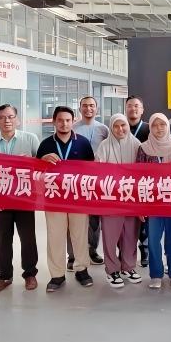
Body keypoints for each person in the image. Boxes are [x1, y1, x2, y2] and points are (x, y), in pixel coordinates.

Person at [0, 104, 41, 293]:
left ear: (17, 119)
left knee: (28, 237)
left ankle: (30, 274)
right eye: (2, 117)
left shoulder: (30, 139)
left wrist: (30, 162)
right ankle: (5, 276)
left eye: (11, 116)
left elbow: (41, 168)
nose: (7, 120)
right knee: (3, 238)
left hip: (24, 197)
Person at [38, 106, 96, 292]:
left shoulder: (83, 143)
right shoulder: (45, 144)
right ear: (54, 122)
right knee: (55, 237)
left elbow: (92, 172)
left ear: (73, 121)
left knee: (80, 236)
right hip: (54, 199)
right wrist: (41, 160)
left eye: (68, 120)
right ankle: (57, 275)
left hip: (78, 198)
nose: (64, 124)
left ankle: (82, 270)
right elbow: (36, 173)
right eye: (60, 120)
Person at [95, 114, 144, 288]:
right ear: (111, 128)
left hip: (131, 198)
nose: (120, 129)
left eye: (123, 125)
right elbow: (97, 171)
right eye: (116, 126)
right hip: (110, 199)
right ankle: (112, 270)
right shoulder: (104, 145)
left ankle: (128, 267)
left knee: (130, 235)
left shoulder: (137, 144)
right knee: (110, 236)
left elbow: (142, 172)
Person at [137, 113, 171, 289]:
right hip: (152, 202)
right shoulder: (144, 148)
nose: (159, 128)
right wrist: (140, 206)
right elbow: (138, 178)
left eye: (162, 124)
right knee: (153, 239)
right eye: (155, 125)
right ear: (150, 128)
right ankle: (156, 273)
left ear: (167, 126)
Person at [73, 96, 109, 267]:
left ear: (97, 109)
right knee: (75, 217)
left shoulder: (104, 129)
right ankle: (73, 255)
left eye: (92, 106)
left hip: (97, 180)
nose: (88, 108)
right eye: (85, 105)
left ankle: (92, 250)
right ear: (80, 108)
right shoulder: (72, 128)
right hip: (76, 178)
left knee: (95, 218)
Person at [125, 95, 150, 267]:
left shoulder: (150, 128)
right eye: (129, 106)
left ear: (142, 110)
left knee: (144, 217)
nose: (133, 109)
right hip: (124, 180)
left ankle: (145, 250)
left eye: (136, 106)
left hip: (145, 180)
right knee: (127, 219)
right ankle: (126, 253)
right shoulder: (120, 127)